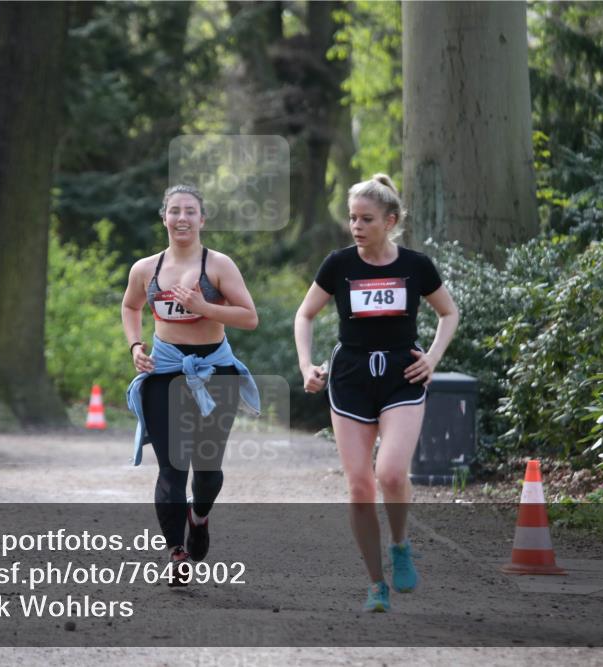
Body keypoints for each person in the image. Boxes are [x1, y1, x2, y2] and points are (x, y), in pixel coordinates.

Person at [294, 174, 459, 612]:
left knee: (389, 474)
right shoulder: (338, 264)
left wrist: (434, 358)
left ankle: (401, 545)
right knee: (360, 486)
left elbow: (449, 312)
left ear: (391, 220)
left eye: (366, 218)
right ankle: (375, 585)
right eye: (352, 218)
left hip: (402, 375)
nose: (356, 226)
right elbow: (305, 315)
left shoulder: (417, 266)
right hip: (350, 376)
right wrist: (306, 364)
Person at [123, 184, 260, 585]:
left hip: (216, 375)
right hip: (163, 375)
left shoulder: (218, 265)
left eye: (190, 212)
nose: (182, 218)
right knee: (171, 469)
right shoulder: (145, 269)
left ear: (202, 219)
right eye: (175, 211)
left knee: (207, 471)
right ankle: (176, 551)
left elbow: (249, 317)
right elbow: (131, 306)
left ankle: (198, 518)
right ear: (163, 217)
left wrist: (204, 307)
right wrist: (135, 345)